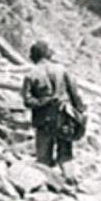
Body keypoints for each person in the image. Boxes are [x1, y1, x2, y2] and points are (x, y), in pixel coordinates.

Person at [22, 40, 85, 170]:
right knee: (66, 155)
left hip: (43, 121)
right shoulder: (61, 69)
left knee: (43, 158)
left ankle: (45, 186)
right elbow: (74, 93)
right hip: (64, 118)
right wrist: (80, 111)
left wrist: (44, 101)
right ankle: (70, 183)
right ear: (47, 54)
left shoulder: (30, 75)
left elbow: (27, 101)